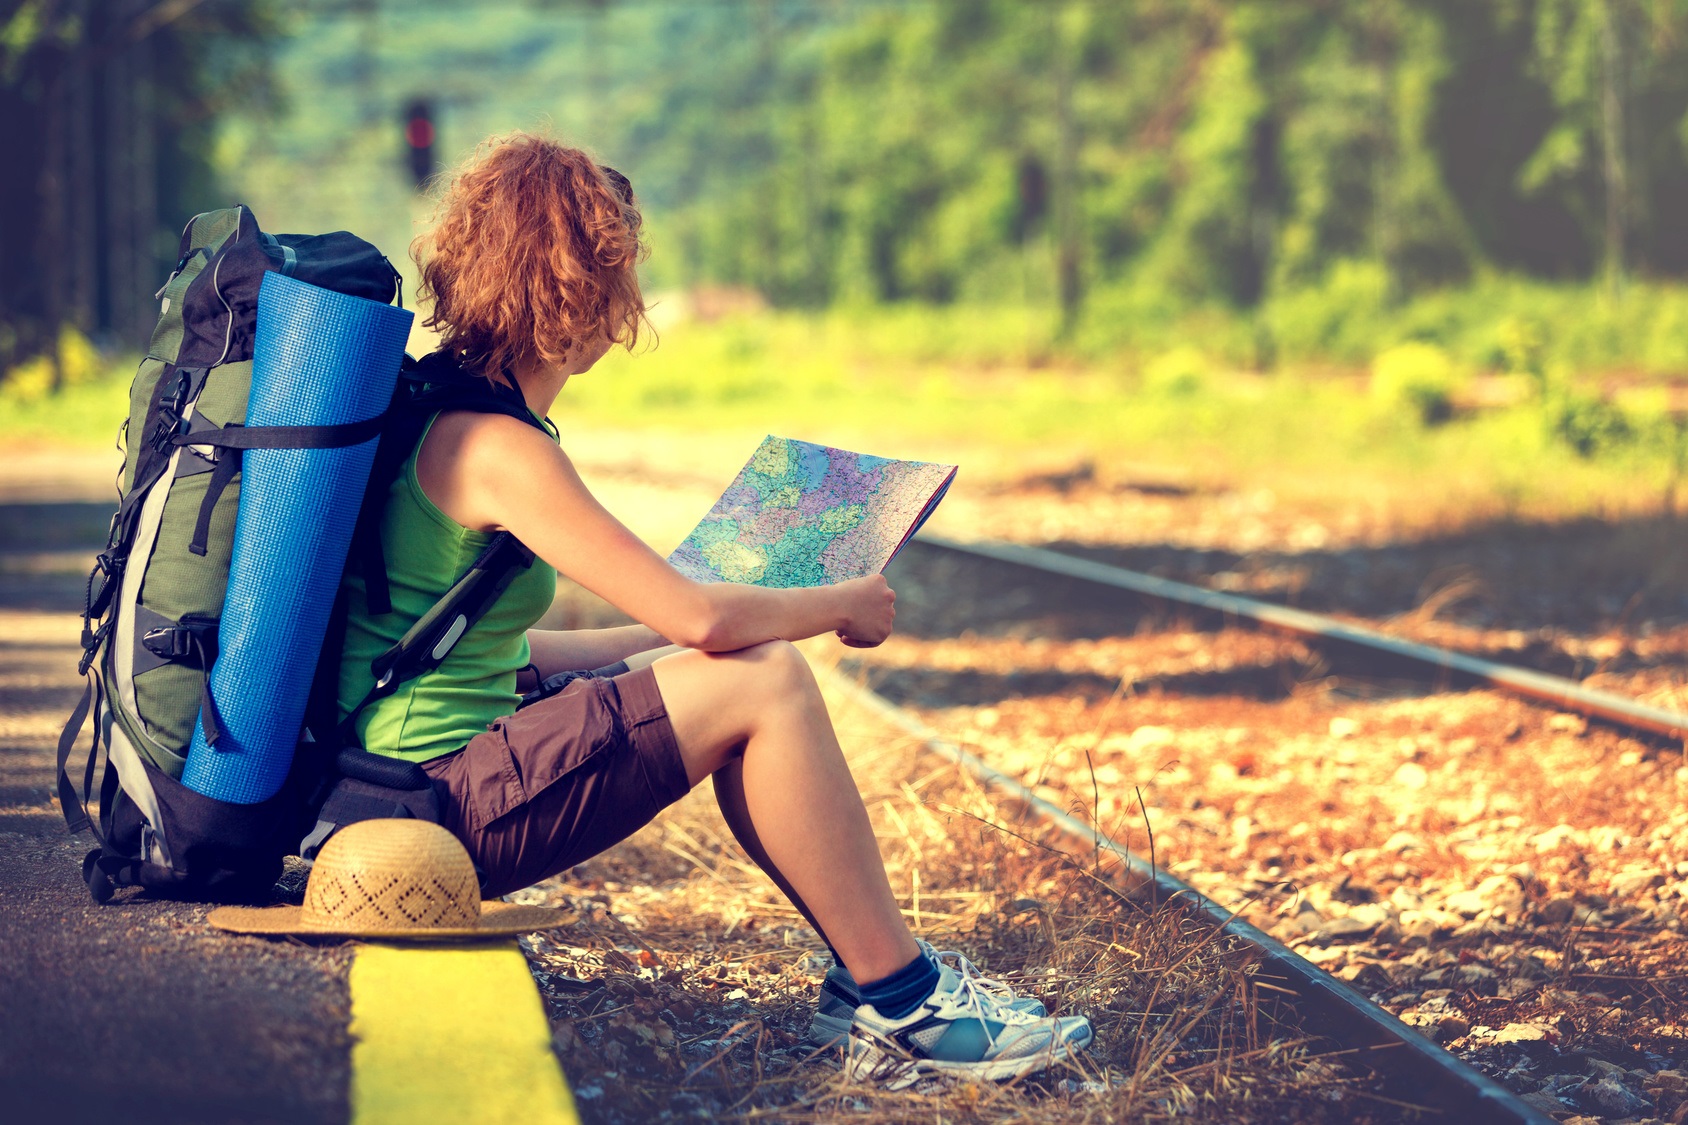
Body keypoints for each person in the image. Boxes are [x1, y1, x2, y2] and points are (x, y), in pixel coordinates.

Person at [336, 132, 1092, 1087]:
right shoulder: (499, 449)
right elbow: (702, 621)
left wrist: (668, 642)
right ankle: (907, 1003)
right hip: (435, 809)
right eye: (621, 275)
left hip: (404, 782)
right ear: (583, 291)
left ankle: (871, 986)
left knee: (733, 677)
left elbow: (495, 648)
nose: (628, 306)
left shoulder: (435, 411)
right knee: (767, 680)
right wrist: (837, 602)